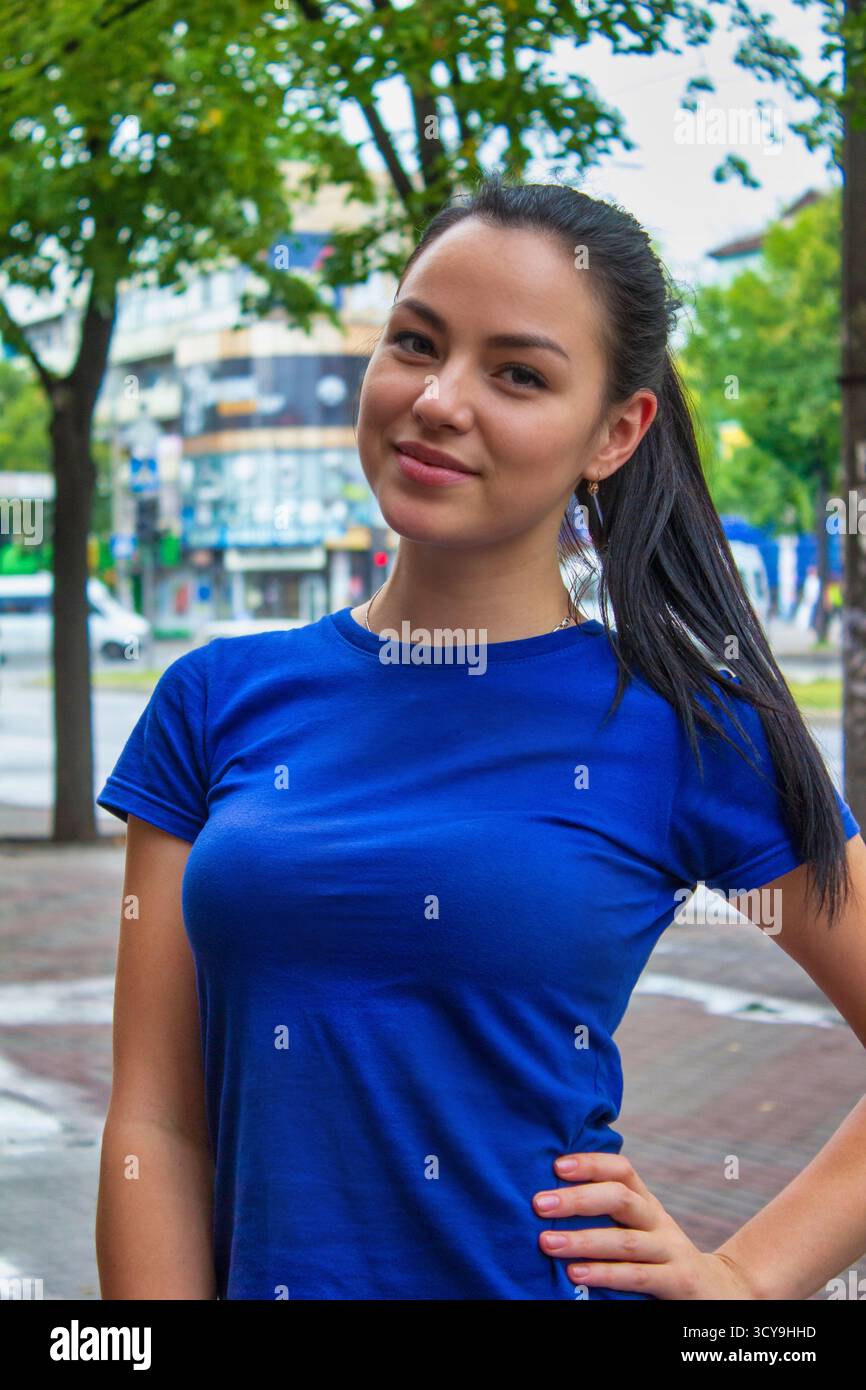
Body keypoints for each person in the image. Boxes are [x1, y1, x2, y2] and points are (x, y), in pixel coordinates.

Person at [95, 174, 866, 1302]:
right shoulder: (213, 698)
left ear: (615, 430)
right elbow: (157, 1123)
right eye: (414, 342)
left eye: (516, 373)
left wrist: (741, 1284)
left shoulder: (682, 731)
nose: (439, 399)